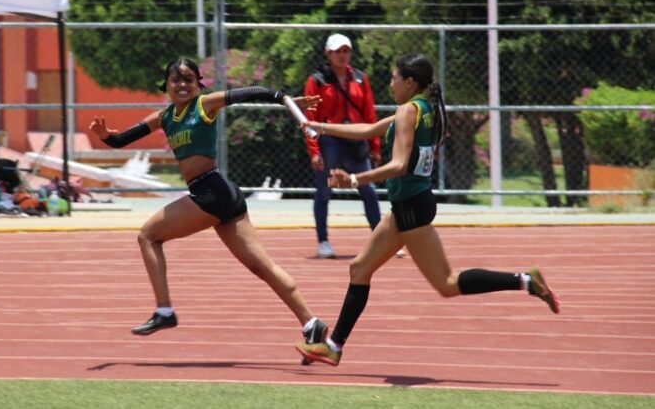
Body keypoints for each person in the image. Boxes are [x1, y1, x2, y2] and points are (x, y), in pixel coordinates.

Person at [296, 54, 560, 367]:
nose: (390, 83)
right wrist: (319, 127)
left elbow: (398, 165)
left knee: (447, 283)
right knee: (359, 269)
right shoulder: (421, 107)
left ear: (410, 82)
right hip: (411, 205)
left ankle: (526, 280)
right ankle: (333, 346)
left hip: (410, 208)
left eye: (394, 78)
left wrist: (353, 179)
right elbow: (369, 130)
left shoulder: (409, 111)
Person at [89, 58, 328, 346]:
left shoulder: (205, 105)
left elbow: (250, 92)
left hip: (211, 191)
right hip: (220, 194)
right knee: (261, 267)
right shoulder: (164, 117)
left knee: (148, 236)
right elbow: (121, 140)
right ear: (165, 84)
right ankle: (311, 323)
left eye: (189, 79)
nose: (182, 85)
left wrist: (285, 100)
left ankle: (164, 310)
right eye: (176, 79)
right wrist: (105, 136)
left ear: (198, 84)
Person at [304, 33, 381, 258]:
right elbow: (309, 117)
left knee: (368, 190)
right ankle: (323, 243)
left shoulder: (360, 78)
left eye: (346, 50)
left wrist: (375, 145)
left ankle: (379, 239)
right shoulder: (317, 80)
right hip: (330, 140)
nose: (342, 55)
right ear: (328, 54)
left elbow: (370, 113)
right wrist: (314, 151)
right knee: (324, 191)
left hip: (357, 139)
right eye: (337, 51)